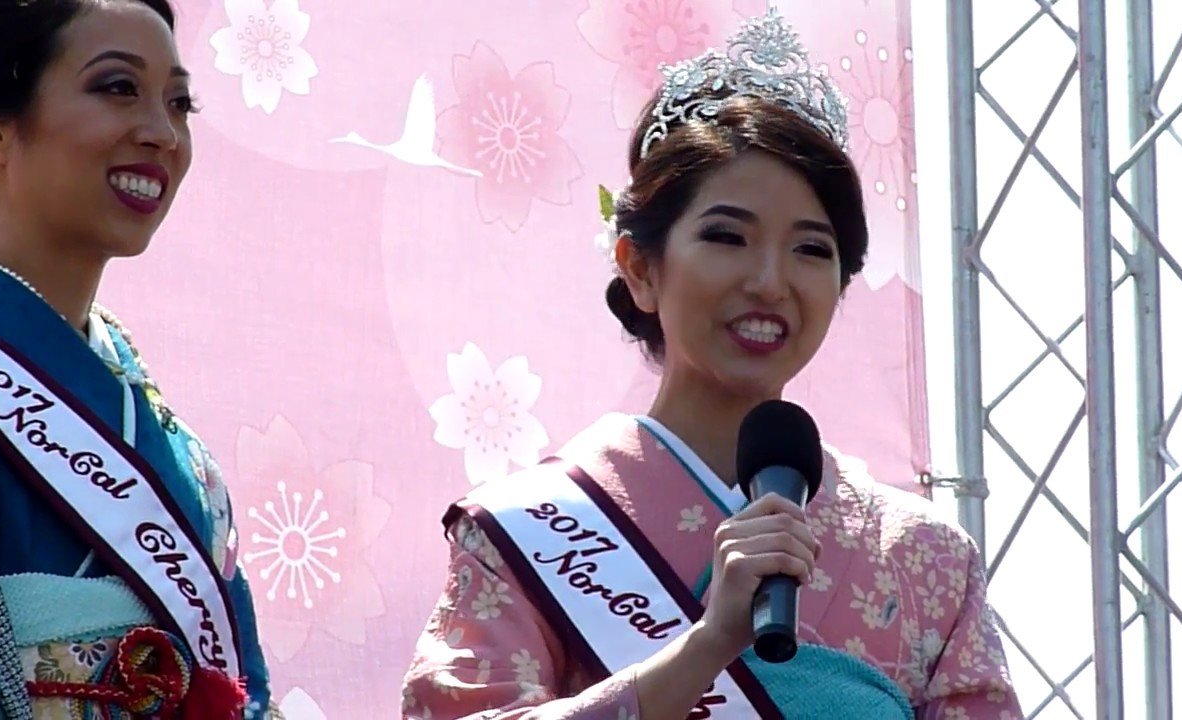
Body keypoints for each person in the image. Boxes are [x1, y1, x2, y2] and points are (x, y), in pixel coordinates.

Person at [402, 10, 1023, 720]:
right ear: (640, 268)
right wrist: (704, 649)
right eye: (728, 237)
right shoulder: (530, 530)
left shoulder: (925, 557)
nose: (769, 281)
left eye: (811, 249)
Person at [0, 0, 277, 717]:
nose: (162, 132)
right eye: (118, 88)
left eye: (180, 102)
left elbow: (241, 679)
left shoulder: (162, 432)